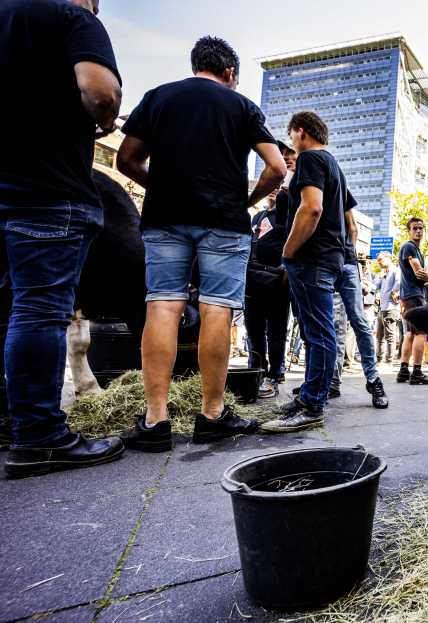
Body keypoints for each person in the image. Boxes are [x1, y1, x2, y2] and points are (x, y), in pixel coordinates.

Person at [117, 36, 285, 451]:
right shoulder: (241, 105)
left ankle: (155, 420)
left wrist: (161, 189)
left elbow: (126, 160)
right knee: (216, 308)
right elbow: (277, 167)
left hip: (165, 219)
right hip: (223, 222)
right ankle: (212, 414)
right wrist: (242, 201)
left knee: (162, 304)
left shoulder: (158, 98)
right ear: (230, 73)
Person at [0, 0, 126, 476]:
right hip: (46, 189)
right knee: (39, 308)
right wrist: (107, 118)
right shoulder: (72, 19)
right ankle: (40, 436)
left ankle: (10, 419)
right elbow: (101, 93)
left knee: (9, 306)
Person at [260, 112, 348, 432]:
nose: (292, 142)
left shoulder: (311, 159)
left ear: (301, 132)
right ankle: (309, 396)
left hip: (311, 257)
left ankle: (312, 404)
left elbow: (311, 207)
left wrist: (288, 249)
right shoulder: (331, 163)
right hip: (325, 257)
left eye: (292, 135)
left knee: (318, 332)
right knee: (317, 331)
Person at [328, 190, 388, 408]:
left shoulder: (336, 183)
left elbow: (352, 227)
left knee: (360, 322)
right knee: (334, 326)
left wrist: (348, 255)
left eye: (290, 152)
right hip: (323, 264)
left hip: (345, 264)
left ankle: (373, 380)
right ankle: (332, 382)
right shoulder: (298, 186)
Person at [245, 187, 291, 398]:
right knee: (253, 330)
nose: (274, 189)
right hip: (253, 281)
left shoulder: (287, 213)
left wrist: (286, 269)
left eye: (279, 185)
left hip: (278, 282)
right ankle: (257, 370)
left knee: (276, 332)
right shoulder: (257, 216)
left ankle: (274, 374)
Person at [396, 218, 428, 385]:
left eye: (421, 228)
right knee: (421, 332)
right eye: (415, 228)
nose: (418, 231)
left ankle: (404, 371)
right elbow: (419, 272)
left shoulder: (415, 249)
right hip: (414, 295)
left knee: (410, 333)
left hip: (409, 295)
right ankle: (417, 372)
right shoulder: (409, 246)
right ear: (409, 231)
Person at [375, 253, 401, 364]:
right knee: (379, 336)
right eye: (378, 260)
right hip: (382, 308)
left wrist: (394, 292)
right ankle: (379, 358)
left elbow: (399, 283)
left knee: (390, 336)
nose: (379, 262)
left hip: (391, 308)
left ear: (388, 259)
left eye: (380, 260)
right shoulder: (384, 272)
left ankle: (389, 360)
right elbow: (376, 285)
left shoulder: (395, 270)